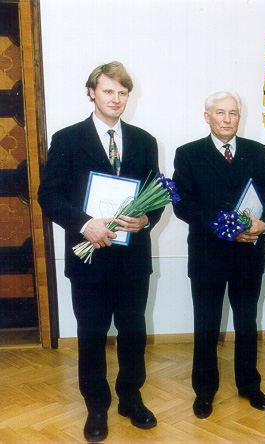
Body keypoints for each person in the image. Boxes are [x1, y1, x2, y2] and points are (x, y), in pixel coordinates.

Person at [38, 62, 162, 442]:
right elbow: (49, 196)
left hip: (132, 259)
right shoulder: (67, 139)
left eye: (123, 93)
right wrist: (83, 223)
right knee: (91, 335)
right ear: (92, 92)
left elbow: (156, 196)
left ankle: (131, 398)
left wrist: (147, 219)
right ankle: (96, 407)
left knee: (133, 332)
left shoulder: (145, 141)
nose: (116, 99)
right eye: (109, 91)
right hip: (87, 257)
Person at [172, 91, 265, 419]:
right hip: (208, 254)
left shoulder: (257, 152)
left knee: (247, 323)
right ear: (207, 117)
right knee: (206, 324)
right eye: (220, 113)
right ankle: (204, 391)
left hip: (249, 253)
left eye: (232, 113)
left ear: (239, 117)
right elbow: (183, 205)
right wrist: (226, 228)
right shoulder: (188, 154)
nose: (227, 119)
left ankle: (249, 385)